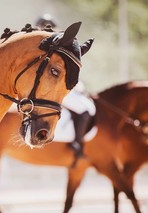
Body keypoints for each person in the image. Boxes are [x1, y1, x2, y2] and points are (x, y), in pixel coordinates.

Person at [35, 14, 93, 159]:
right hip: (51, 89)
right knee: (85, 110)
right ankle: (77, 144)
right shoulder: (53, 45)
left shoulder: (40, 44)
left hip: (45, 87)